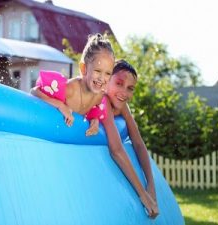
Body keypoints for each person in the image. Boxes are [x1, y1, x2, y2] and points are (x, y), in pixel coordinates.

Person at [31, 34, 157, 218]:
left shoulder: (106, 99)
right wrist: (60, 104)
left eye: (107, 73)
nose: (103, 78)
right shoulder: (82, 91)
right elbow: (34, 91)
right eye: (98, 71)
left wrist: (149, 188)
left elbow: (129, 145)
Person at [102, 59, 159, 217]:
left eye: (130, 88)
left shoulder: (122, 105)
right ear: (106, 80)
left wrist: (151, 185)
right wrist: (143, 194)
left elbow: (138, 143)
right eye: (119, 83)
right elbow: (116, 150)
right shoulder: (103, 99)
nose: (124, 93)